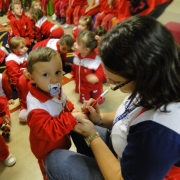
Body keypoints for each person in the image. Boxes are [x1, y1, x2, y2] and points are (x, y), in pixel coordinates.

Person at [45, 16, 180, 180]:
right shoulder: (158, 81)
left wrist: (92, 136)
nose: (108, 83)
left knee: (55, 161)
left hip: (124, 173)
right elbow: (131, 115)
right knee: (77, 125)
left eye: (116, 82)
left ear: (142, 77)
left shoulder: (157, 135)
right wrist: (99, 119)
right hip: (125, 150)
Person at [24, 47, 83, 180]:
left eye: (57, 72)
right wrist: (70, 118)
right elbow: (48, 130)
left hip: (61, 142)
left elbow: (64, 102)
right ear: (32, 78)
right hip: (47, 151)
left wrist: (72, 110)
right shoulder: (36, 107)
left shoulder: (54, 89)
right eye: (46, 74)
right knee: (50, 174)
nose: (54, 79)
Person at [72, 30, 106, 104]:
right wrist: (74, 76)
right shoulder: (76, 56)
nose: (74, 44)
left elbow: (104, 72)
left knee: (98, 101)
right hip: (83, 86)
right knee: (85, 103)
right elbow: (75, 68)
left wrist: (97, 77)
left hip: (95, 86)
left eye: (78, 44)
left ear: (86, 49)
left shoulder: (95, 59)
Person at [0, 73, 14, 137]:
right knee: (4, 109)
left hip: (1, 97)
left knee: (3, 107)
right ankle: (5, 124)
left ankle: (5, 125)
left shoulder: (2, 77)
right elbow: (7, 88)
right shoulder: (2, 76)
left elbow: (7, 89)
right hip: (2, 98)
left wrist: (9, 97)